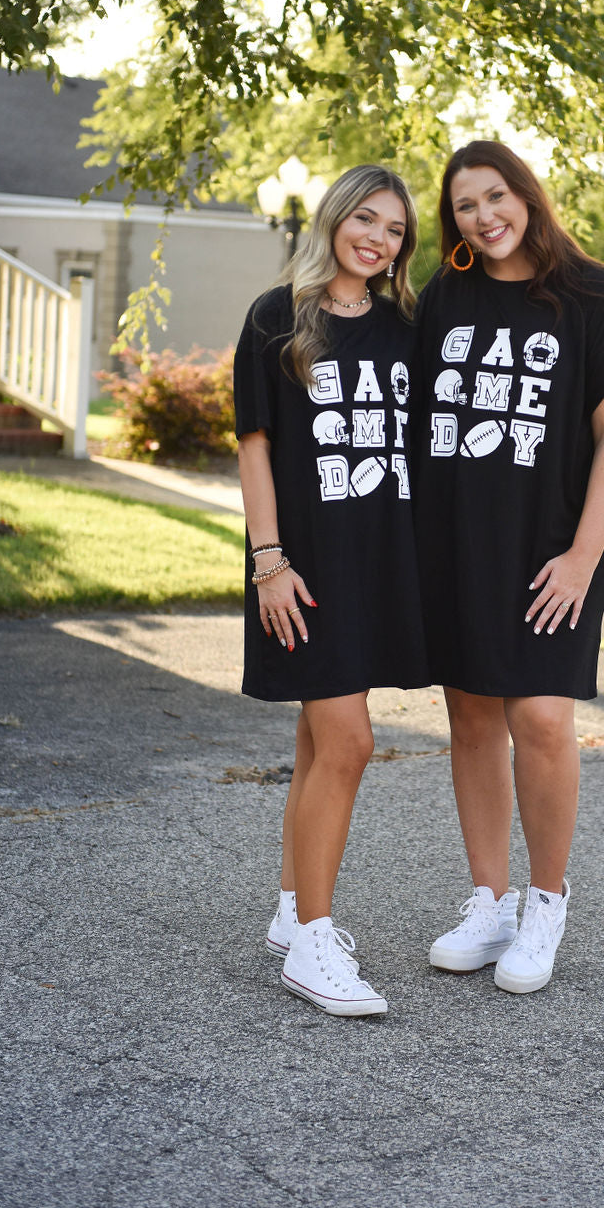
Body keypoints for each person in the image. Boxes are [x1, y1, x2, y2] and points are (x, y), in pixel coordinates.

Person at [414, 140, 604, 994]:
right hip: (458, 543)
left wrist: (584, 557)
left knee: (541, 719)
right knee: (473, 719)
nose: (485, 215)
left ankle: (546, 902)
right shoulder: (446, 294)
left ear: (528, 194)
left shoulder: (592, 292)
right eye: (466, 205)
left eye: (496, 195)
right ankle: (490, 901)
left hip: (554, 548)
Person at [233, 164, 428, 1017]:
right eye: (368, 219)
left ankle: (288, 907)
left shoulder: (404, 325)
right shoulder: (277, 317)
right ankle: (314, 944)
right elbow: (255, 448)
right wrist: (269, 562)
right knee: (349, 740)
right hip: (302, 569)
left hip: (377, 560)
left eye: (395, 231)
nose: (379, 239)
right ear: (336, 216)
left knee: (320, 739)